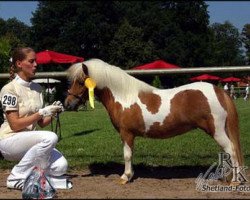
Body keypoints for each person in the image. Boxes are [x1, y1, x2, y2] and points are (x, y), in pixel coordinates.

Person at [0, 47, 68, 190]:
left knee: (61, 166)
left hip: (30, 141)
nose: (36, 64)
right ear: (19, 64)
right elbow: (14, 125)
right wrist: (41, 112)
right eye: (31, 61)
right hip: (9, 140)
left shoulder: (38, 88)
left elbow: (42, 123)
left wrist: (54, 112)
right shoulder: (9, 89)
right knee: (50, 137)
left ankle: (36, 179)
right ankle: (16, 177)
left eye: (36, 61)